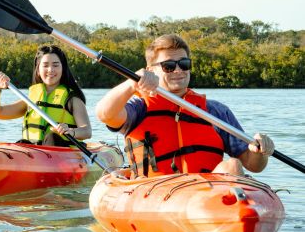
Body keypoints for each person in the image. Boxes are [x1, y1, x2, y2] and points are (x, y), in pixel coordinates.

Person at [96, 34, 275, 177]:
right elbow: (105, 114)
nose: (178, 70)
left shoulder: (215, 111)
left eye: (184, 64)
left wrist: (260, 151)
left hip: (207, 195)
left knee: (232, 165)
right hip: (155, 193)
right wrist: (132, 83)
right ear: (151, 70)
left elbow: (253, 165)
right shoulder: (140, 107)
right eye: (168, 66)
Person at [0, 44, 92, 146]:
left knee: (52, 137)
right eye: (45, 65)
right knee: (22, 143)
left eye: (55, 65)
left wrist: (71, 131)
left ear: (63, 68)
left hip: (62, 153)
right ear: (38, 69)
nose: (50, 70)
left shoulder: (72, 99)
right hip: (36, 154)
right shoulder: (30, 100)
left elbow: (87, 131)